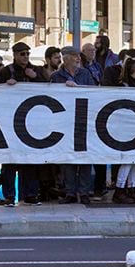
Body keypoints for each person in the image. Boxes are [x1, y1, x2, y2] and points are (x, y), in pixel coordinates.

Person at [0, 41, 48, 205]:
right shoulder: (6, 71)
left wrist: (36, 78)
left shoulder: (37, 70)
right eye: (22, 54)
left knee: (30, 161)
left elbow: (48, 91)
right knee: (10, 162)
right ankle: (10, 196)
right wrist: (6, 85)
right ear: (15, 55)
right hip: (10, 123)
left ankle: (31, 194)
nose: (25, 57)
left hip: (32, 123)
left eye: (27, 54)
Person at [51, 46, 97, 203]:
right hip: (65, 121)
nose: (78, 58)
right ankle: (70, 192)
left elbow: (93, 93)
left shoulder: (85, 74)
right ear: (66, 58)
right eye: (74, 56)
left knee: (85, 157)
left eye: (78, 56)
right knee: (68, 158)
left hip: (83, 120)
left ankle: (84, 192)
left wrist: (78, 89)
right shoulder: (56, 77)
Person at [110, 56, 135, 204]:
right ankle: (120, 189)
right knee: (128, 159)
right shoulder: (125, 86)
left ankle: (132, 188)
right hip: (126, 127)